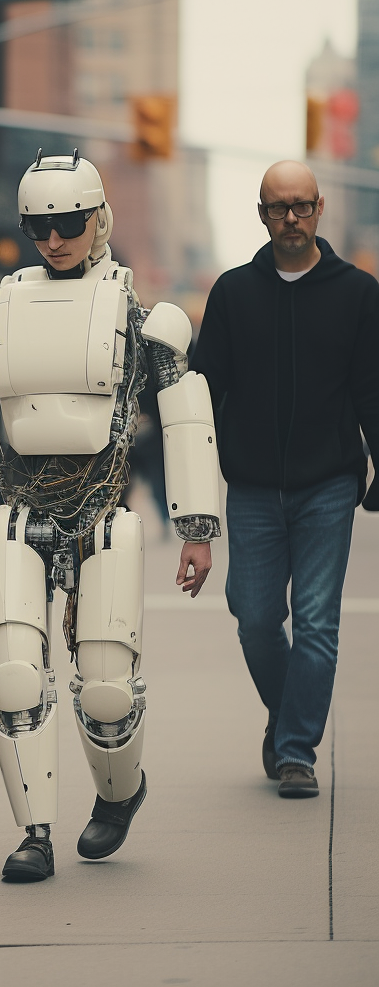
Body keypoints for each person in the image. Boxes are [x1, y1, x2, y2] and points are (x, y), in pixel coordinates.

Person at [0, 150, 220, 882]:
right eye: (38, 225)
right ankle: (35, 833)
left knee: (106, 688)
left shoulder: (142, 320)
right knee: (15, 678)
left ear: (98, 219)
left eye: (67, 222)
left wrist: (195, 528)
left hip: (105, 513)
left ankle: (118, 797)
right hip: (19, 511)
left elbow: (186, 418)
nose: (53, 238)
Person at [193, 160, 379, 800]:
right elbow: (202, 391)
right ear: (263, 214)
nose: (292, 218)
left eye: (302, 206)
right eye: (279, 207)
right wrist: (190, 488)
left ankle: (296, 749)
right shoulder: (233, 293)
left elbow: (372, 390)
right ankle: (289, 714)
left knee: (318, 622)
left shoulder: (357, 292)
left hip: (328, 483)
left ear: (320, 208)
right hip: (251, 487)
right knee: (253, 614)